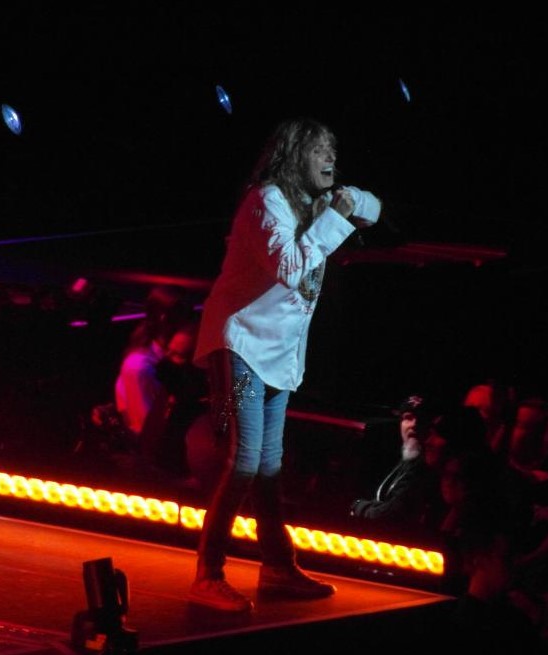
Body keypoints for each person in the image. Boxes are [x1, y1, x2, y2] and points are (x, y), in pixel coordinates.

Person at [188, 117, 381, 612]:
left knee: (270, 466)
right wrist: (335, 218)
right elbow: (291, 269)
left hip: (279, 355)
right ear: (295, 156)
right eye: (319, 150)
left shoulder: (317, 202)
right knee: (245, 459)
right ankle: (208, 574)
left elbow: (376, 210)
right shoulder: (265, 201)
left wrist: (349, 203)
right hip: (240, 346)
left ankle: (276, 566)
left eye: (332, 150)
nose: (330, 159)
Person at [114, 285, 206, 479]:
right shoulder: (141, 366)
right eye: (186, 314)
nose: (191, 320)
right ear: (165, 318)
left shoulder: (186, 378)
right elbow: (146, 432)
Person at [348, 394, 438, 539]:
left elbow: (391, 513)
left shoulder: (425, 467)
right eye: (408, 418)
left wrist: (359, 506)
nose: (414, 424)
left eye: (421, 419)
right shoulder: (405, 460)